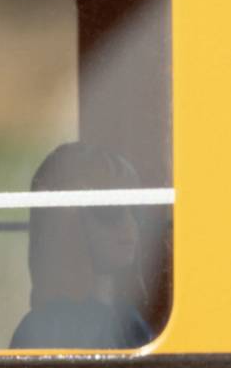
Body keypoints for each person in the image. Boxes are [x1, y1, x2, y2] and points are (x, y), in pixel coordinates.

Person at [10, 141, 153, 350]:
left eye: (136, 211)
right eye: (110, 211)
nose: (130, 224)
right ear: (64, 225)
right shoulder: (45, 329)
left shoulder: (129, 320)